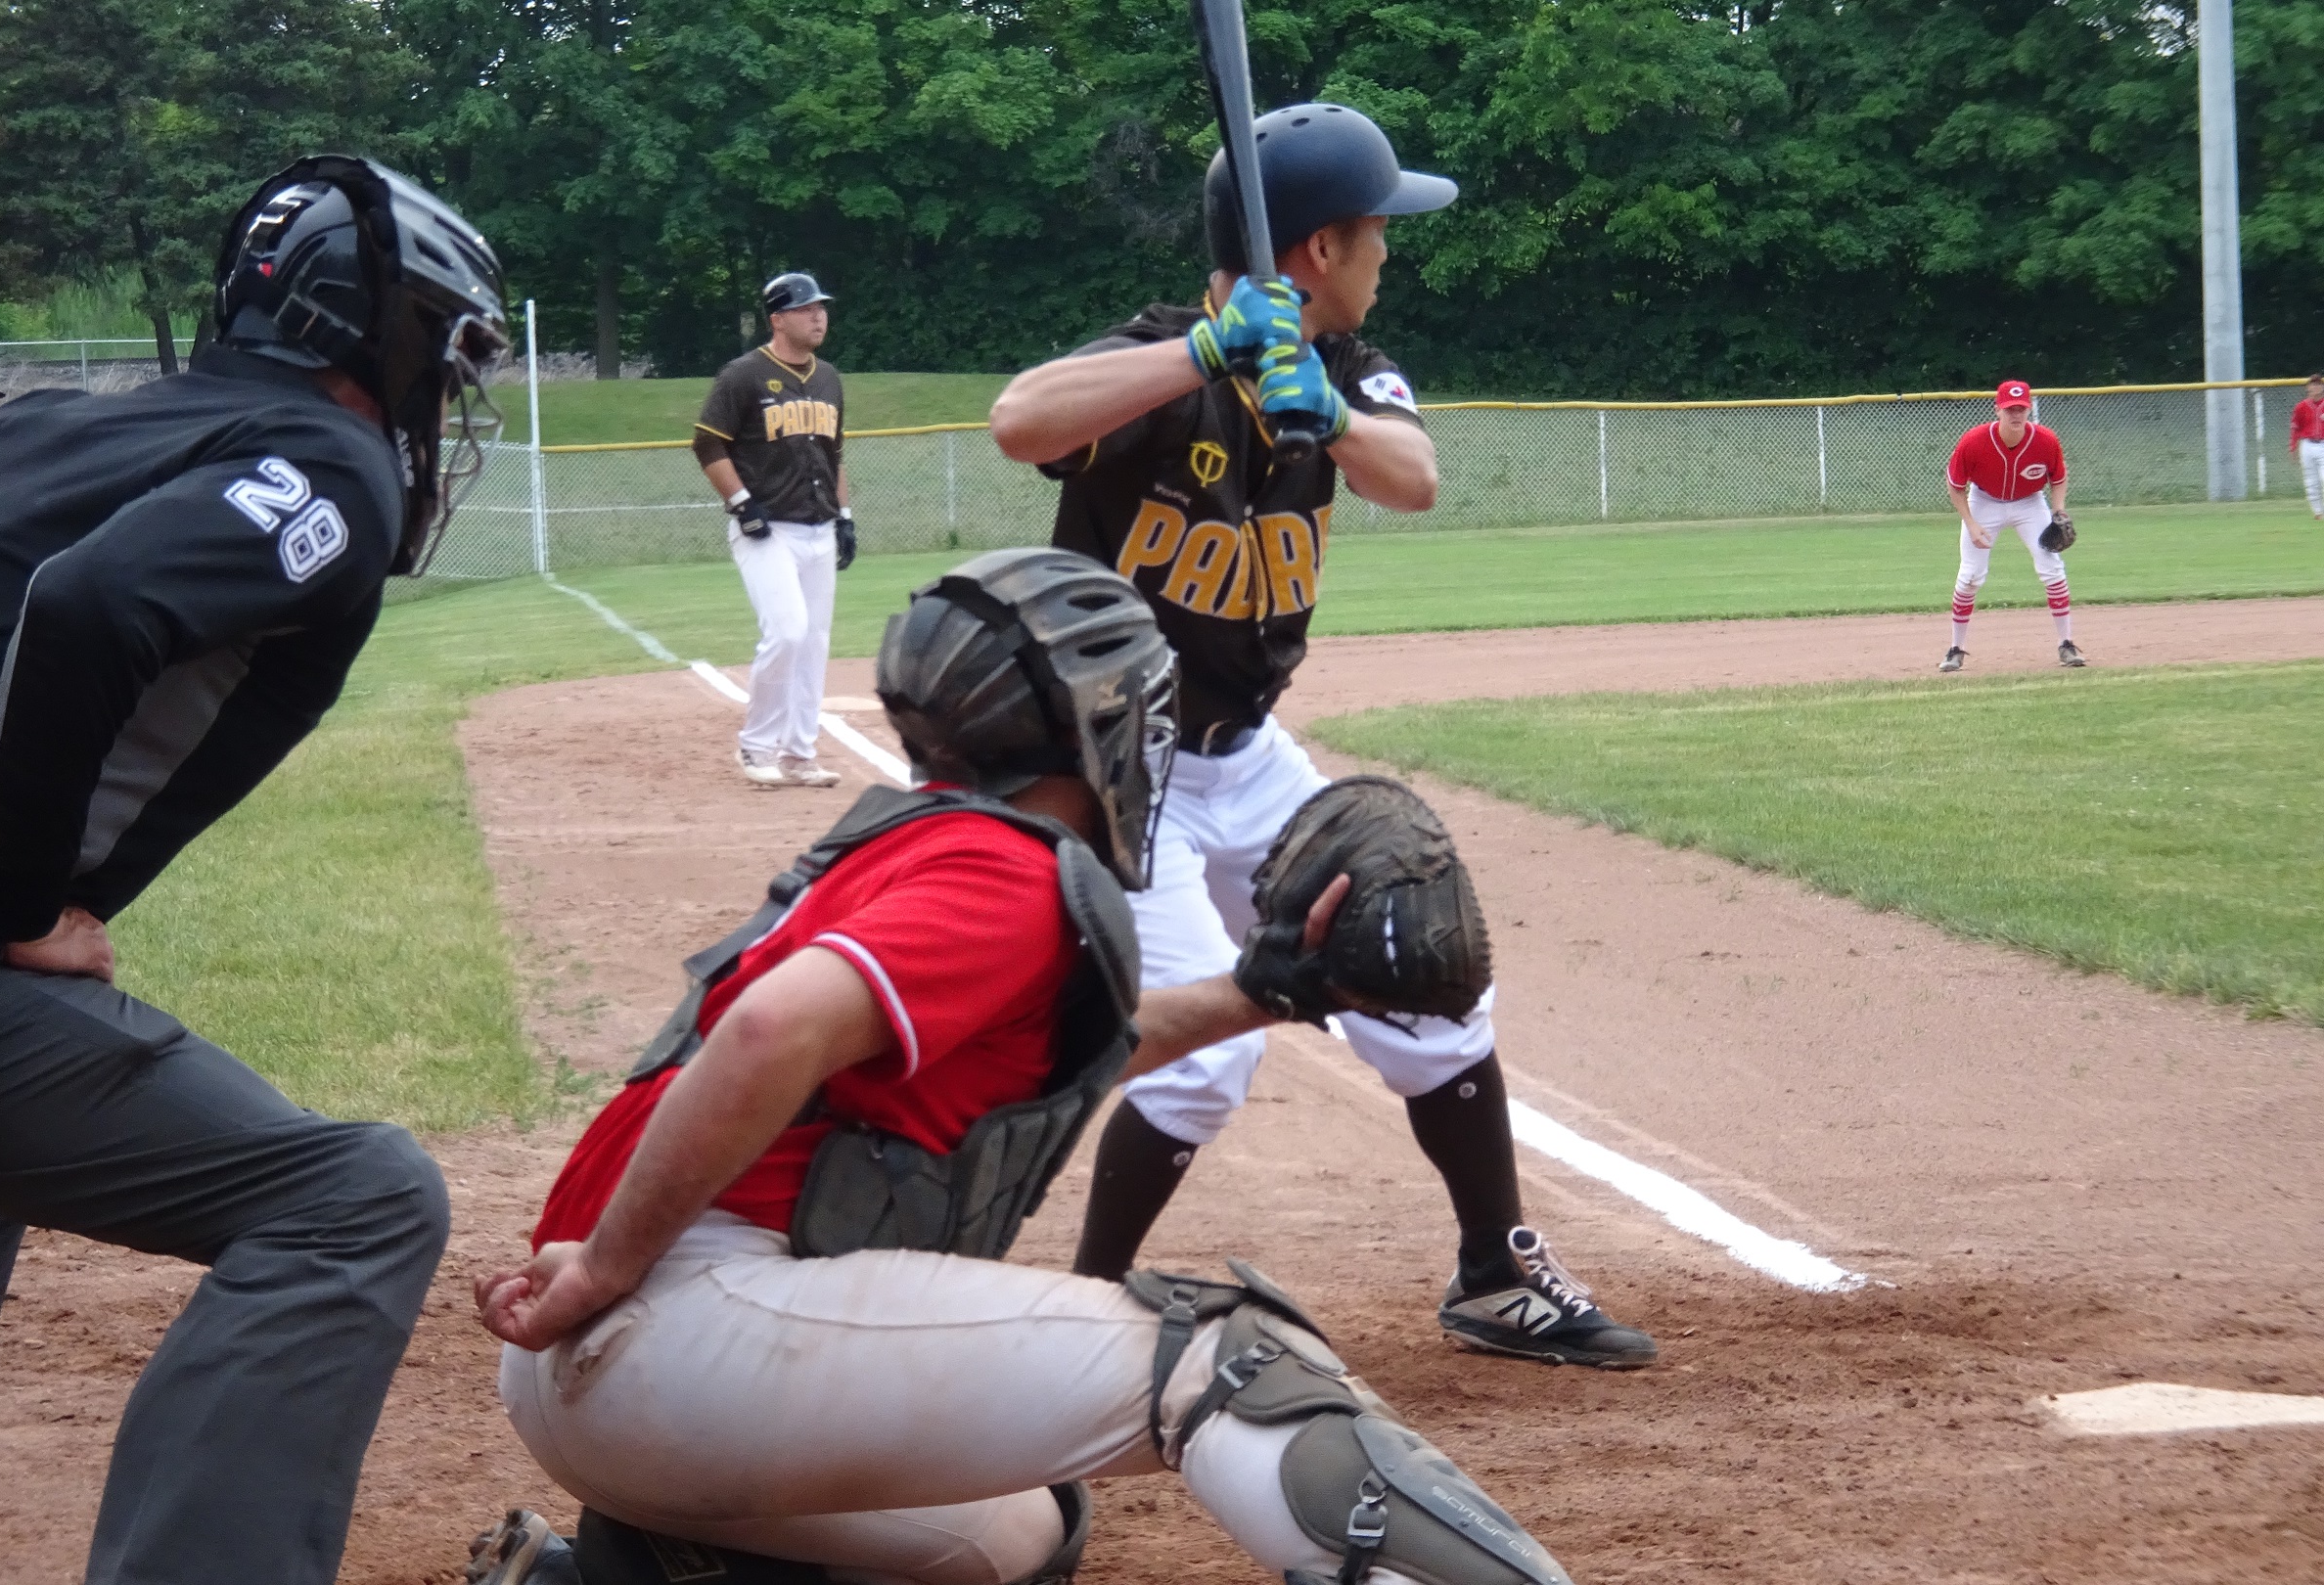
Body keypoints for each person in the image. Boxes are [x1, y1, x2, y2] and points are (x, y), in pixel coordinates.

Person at [463, 548, 1575, 1585]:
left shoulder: (908, 848)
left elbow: (1059, 1059)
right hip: (675, 1333)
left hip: (611, 1380)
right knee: (1236, 1359)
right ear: (1104, 730)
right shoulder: (1007, 872)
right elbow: (770, 1030)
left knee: (1018, 1527)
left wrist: (1264, 992)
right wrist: (608, 1266)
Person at [984, 103, 1659, 1371]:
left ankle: (1493, 1275)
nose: (1388, 253)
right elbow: (1022, 420)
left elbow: (1416, 477)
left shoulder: (1343, 367)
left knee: (1425, 964)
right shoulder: (1157, 359)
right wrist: (1203, 352)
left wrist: (1332, 420)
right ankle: (1080, 1314)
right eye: (1376, 231)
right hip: (1116, 771)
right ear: (1318, 248)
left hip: (1241, 753)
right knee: (1202, 1062)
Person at [0, 155, 507, 1585]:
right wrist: (18, 902)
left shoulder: (43, 427)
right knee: (357, 1201)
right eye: (442, 354)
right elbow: (88, 603)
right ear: (381, 333)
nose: (443, 394)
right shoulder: (332, 463)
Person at [694, 271, 856, 792]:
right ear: (778, 319)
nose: (818, 316)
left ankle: (799, 753)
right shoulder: (743, 375)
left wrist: (845, 515)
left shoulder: (829, 378)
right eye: (806, 309)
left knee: (813, 642)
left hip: (819, 526)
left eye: (821, 308)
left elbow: (835, 454)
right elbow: (707, 444)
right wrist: (741, 504)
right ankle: (757, 746)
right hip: (767, 529)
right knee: (787, 631)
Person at [1938, 379, 2082, 672]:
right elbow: (1955, 485)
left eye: (2021, 408)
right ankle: (1955, 649)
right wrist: (1971, 523)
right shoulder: (1974, 441)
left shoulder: (2045, 440)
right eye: (2009, 409)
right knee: (1970, 576)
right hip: (1984, 501)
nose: (2016, 414)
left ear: (2028, 410)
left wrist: (2058, 510)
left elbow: (2058, 477)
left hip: (2029, 503)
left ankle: (2066, 644)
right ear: (1998, 410)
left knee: (2052, 567)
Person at [2288, 373, 2324, 520]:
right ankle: (2318, 512)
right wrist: (2293, 447)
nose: (2316, 387)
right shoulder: (2301, 407)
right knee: (2311, 482)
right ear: (2307, 388)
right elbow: (2295, 428)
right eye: (2313, 384)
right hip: (2307, 445)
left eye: (2318, 384)